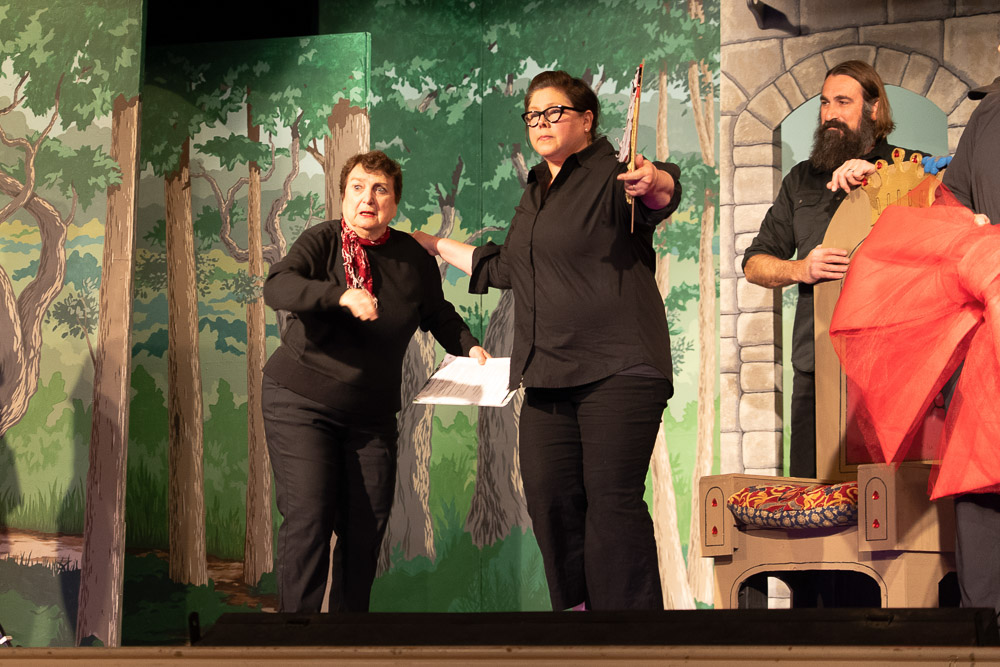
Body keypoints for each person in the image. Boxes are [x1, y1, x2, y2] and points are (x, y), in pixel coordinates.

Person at [412, 70, 681, 611]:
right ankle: (578, 627)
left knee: (611, 506)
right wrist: (435, 245)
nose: (541, 122)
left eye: (555, 112)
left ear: (587, 120)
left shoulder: (615, 172)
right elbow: (508, 267)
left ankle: (633, 639)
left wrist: (654, 181)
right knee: (552, 504)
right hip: (548, 374)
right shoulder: (536, 190)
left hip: (618, 369)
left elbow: (659, 193)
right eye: (533, 115)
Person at [261, 150, 488, 613]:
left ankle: (347, 640)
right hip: (301, 401)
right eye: (358, 188)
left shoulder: (411, 257)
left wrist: (468, 346)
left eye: (380, 189)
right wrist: (341, 295)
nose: (368, 198)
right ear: (344, 197)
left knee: (366, 530)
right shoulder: (322, 240)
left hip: (371, 416)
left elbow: (436, 312)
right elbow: (278, 286)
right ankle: (295, 640)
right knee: (310, 519)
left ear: (394, 202)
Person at [742, 60, 923, 478]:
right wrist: (801, 269)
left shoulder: (909, 166)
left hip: (891, 364)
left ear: (874, 108)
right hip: (817, 364)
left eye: (843, 102)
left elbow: (951, 204)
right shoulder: (801, 180)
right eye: (825, 103)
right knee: (813, 489)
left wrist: (881, 174)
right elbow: (754, 264)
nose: (830, 114)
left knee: (886, 491)